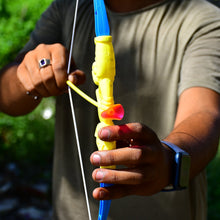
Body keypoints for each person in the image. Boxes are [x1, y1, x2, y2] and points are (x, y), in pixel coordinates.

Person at [0, 0, 220, 219]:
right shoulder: (68, 8)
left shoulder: (204, 20)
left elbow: (204, 112)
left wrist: (169, 159)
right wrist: (27, 78)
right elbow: (6, 96)